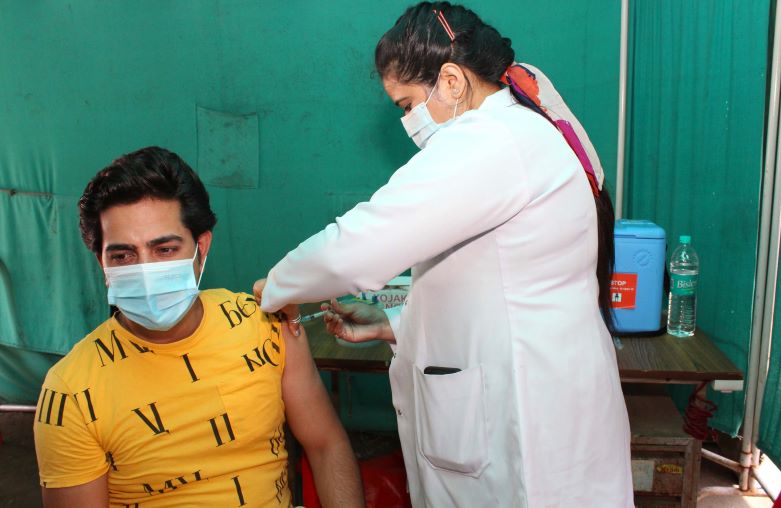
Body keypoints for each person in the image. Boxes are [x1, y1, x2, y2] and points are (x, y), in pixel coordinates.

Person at [254, 2, 633, 506]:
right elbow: (492, 284)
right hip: (543, 390)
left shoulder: (491, 140)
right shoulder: (520, 131)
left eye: (407, 104)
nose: (408, 121)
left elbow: (359, 246)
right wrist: (393, 321)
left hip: (530, 419)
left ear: (452, 81)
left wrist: (276, 285)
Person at [33, 147, 364, 507]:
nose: (146, 272)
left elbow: (326, 445)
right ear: (102, 263)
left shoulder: (265, 324)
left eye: (164, 249)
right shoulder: (71, 392)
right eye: (123, 255)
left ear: (201, 248)